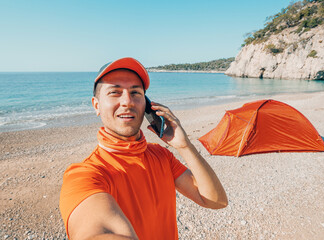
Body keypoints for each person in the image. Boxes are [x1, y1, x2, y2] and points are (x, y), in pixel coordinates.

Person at [59, 57, 228, 240]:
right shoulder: (85, 173)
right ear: (97, 105)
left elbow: (216, 200)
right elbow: (96, 232)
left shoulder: (161, 155)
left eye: (136, 93)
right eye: (115, 92)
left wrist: (184, 145)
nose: (128, 102)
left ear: (147, 106)